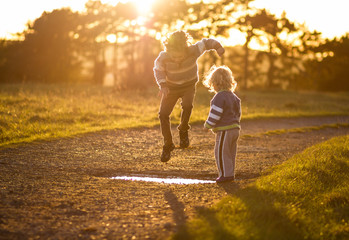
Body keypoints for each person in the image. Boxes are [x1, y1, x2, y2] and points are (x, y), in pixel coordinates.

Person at [153, 30, 225, 162]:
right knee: (163, 114)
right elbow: (158, 69)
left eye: (179, 57)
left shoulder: (193, 50)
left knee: (187, 105)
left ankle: (183, 129)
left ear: (185, 49)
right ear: (169, 50)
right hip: (171, 88)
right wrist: (163, 85)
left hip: (188, 86)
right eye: (174, 57)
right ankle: (168, 144)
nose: (177, 59)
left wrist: (218, 47)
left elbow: (206, 42)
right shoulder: (164, 56)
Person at [203, 65, 241, 183]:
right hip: (235, 129)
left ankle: (225, 175)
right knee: (230, 152)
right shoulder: (234, 96)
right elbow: (238, 113)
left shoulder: (219, 97)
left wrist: (208, 125)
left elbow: (216, 113)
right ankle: (229, 173)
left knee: (220, 152)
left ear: (215, 83)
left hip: (225, 130)